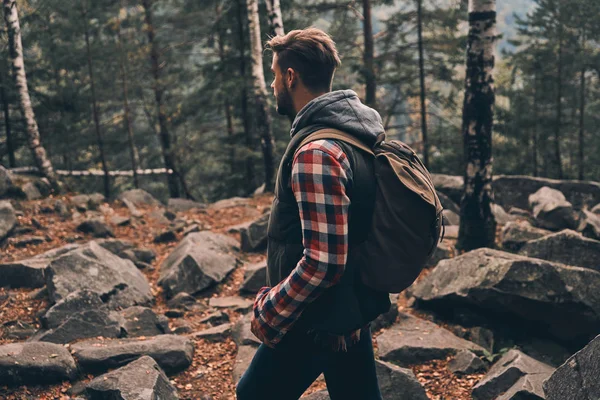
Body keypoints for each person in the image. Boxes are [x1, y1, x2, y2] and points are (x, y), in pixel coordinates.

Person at [236, 28, 391, 400]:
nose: (273, 85)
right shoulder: (352, 132)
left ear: (291, 77)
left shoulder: (316, 152)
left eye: (274, 75)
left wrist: (271, 310)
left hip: (316, 317)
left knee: (254, 395)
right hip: (346, 310)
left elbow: (324, 261)